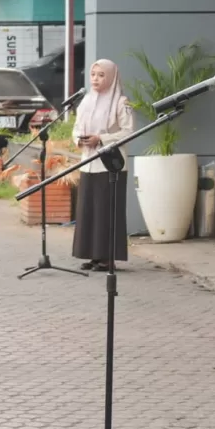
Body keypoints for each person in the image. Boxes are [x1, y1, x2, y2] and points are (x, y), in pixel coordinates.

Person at [69, 58, 135, 271]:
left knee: (106, 212)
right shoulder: (86, 100)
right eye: (93, 75)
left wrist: (101, 138)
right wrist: (79, 139)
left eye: (101, 75)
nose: (96, 79)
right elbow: (77, 127)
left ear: (111, 77)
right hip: (88, 164)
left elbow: (128, 132)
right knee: (88, 210)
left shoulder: (120, 102)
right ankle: (92, 255)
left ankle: (107, 258)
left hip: (109, 166)